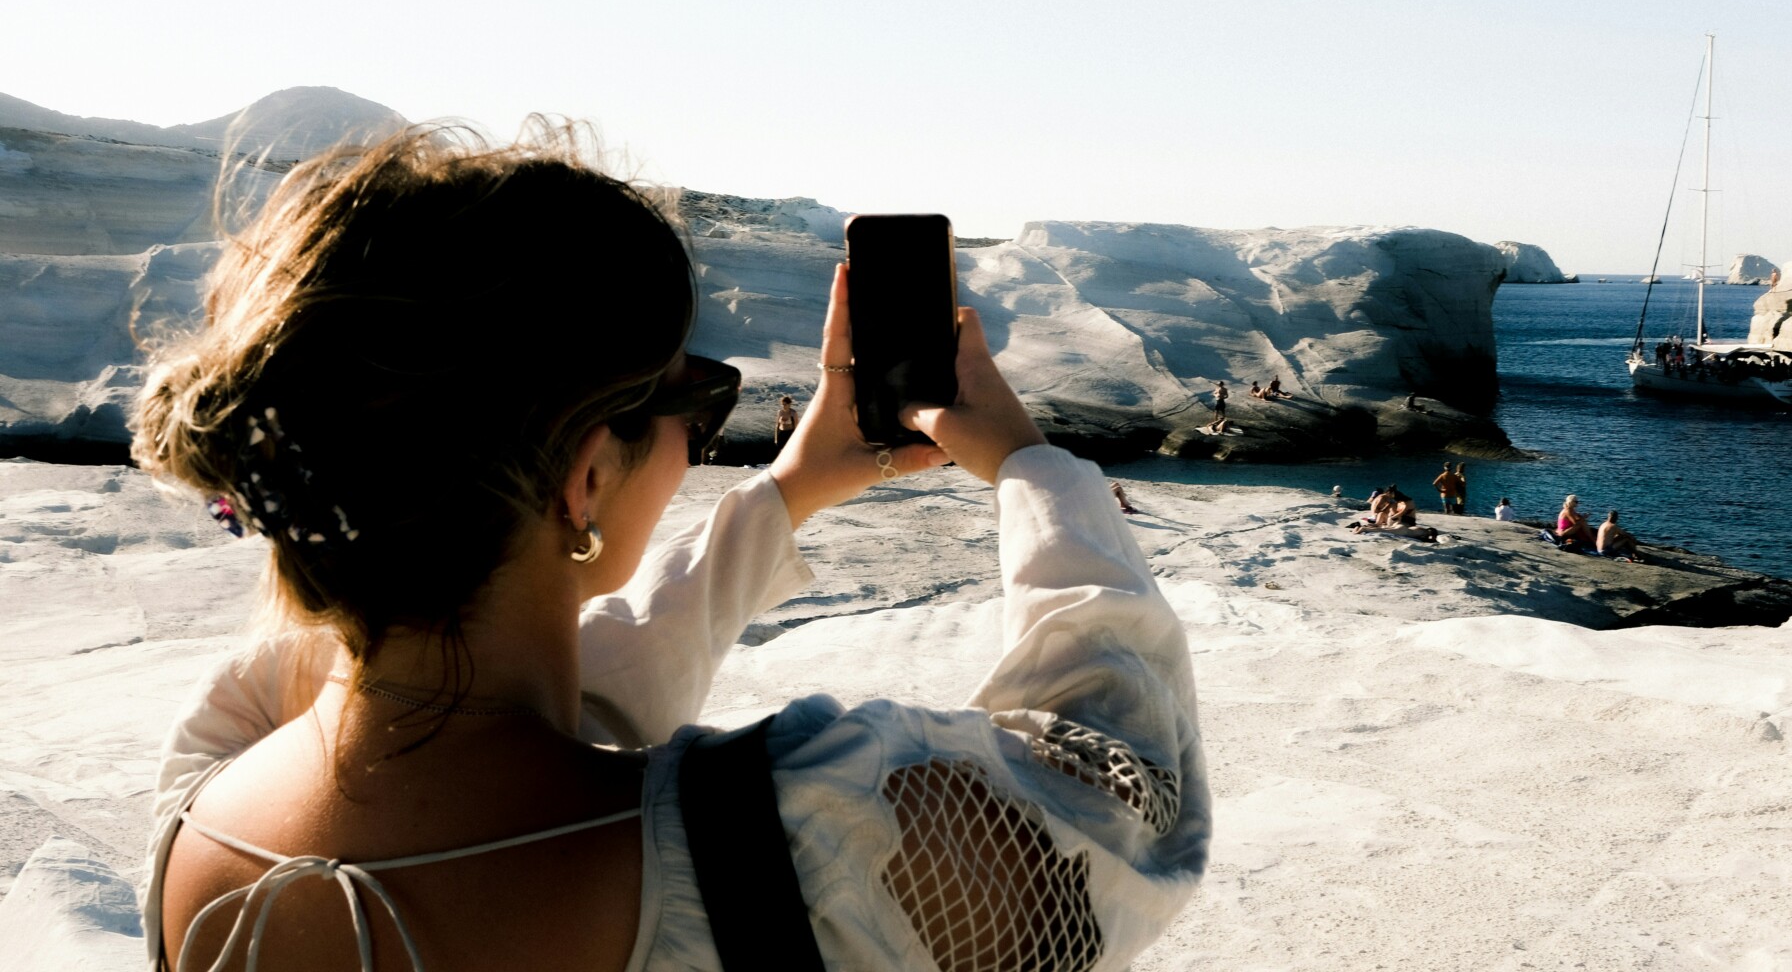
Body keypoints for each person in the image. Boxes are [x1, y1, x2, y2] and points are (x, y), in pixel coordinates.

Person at [134, 127, 1206, 971]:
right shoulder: (788, 854)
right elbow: (1119, 784)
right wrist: (1032, 464)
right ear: (587, 476)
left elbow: (533, 687)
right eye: (693, 397)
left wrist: (786, 493)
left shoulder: (206, 796)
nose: (701, 435)